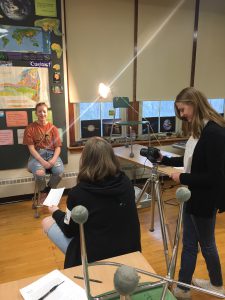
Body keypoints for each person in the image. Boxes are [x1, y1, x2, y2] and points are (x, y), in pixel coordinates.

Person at [159, 87, 225, 299]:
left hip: (204, 200)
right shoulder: (199, 131)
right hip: (192, 196)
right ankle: (184, 287)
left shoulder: (214, 133)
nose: (181, 115)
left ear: (194, 104)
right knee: (189, 244)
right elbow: (191, 162)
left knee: (206, 244)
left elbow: (214, 177)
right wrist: (165, 160)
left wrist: (182, 178)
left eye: (183, 109)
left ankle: (216, 285)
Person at [42, 137, 141, 268]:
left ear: (85, 160)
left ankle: (81, 265)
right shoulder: (126, 183)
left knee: (47, 222)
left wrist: (55, 211)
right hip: (130, 251)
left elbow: (69, 230)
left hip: (96, 258)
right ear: (111, 157)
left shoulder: (77, 193)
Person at [23, 102, 64, 203]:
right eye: (39, 111)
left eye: (44, 111)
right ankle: (42, 192)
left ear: (47, 113)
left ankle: (47, 191)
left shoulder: (53, 128)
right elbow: (31, 149)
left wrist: (53, 160)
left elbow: (58, 147)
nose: (42, 114)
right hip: (37, 155)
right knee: (40, 173)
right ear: (36, 113)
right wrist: (43, 161)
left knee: (60, 172)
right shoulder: (30, 128)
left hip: (52, 154)